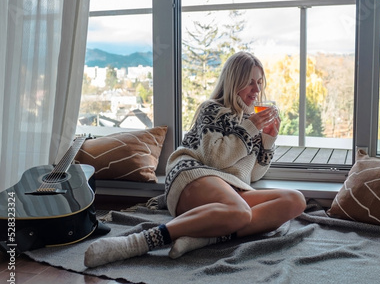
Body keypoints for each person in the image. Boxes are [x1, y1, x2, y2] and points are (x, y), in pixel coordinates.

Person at [84, 51, 306, 267]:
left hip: (230, 188)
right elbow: (215, 160)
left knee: (295, 201)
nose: (257, 89)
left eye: (259, 82)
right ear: (233, 82)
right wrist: (249, 130)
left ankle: (204, 237)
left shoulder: (251, 120)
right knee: (240, 212)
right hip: (193, 173)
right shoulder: (213, 110)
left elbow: (252, 174)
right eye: (249, 82)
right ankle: (137, 242)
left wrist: (267, 141)